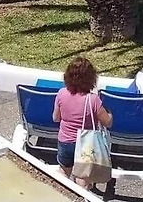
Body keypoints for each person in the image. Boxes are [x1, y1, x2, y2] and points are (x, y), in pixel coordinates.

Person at [53, 57, 112, 189]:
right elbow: (107, 122)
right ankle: (82, 195)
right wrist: (110, 113)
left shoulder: (61, 94)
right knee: (82, 176)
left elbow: (56, 118)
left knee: (63, 171)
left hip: (65, 141)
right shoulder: (93, 100)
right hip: (85, 144)